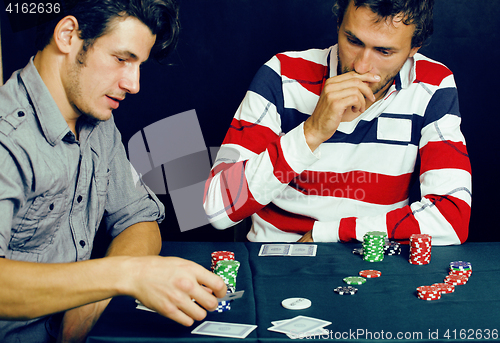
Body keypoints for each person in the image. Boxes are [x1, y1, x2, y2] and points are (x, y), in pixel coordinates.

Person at [0, 0, 226, 342]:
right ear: (67, 35)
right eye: (121, 59)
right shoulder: (7, 138)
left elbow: (139, 219)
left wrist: (90, 303)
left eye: (138, 65)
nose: (133, 84)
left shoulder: (99, 122)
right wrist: (125, 274)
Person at [203, 0, 472, 245]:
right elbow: (217, 208)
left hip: (372, 258)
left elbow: (451, 218)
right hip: (275, 261)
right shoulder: (282, 75)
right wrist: (311, 132)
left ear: (415, 48)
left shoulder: (433, 85)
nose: (362, 66)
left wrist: (329, 233)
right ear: (338, 25)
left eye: (384, 51)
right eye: (353, 41)